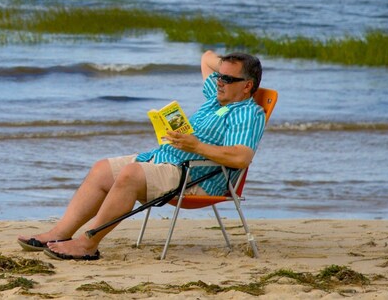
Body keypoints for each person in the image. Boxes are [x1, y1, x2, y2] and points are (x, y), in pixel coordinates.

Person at [17, 50, 264, 261]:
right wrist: (227, 67)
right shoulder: (217, 98)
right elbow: (206, 57)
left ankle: (87, 245)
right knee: (102, 168)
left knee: (130, 175)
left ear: (247, 86)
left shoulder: (247, 113)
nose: (219, 81)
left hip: (196, 176)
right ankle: (59, 232)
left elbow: (241, 158)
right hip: (168, 160)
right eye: (219, 76)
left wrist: (196, 146)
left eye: (227, 78)